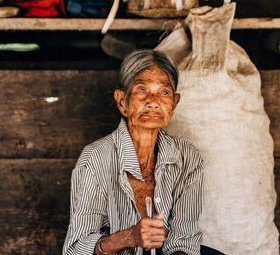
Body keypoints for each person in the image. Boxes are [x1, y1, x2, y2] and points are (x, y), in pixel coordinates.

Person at [63, 49, 222, 255]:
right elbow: (76, 249)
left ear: (174, 103)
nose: (153, 101)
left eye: (164, 92)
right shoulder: (96, 158)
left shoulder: (187, 156)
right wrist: (129, 237)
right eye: (142, 90)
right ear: (122, 102)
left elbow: (183, 238)